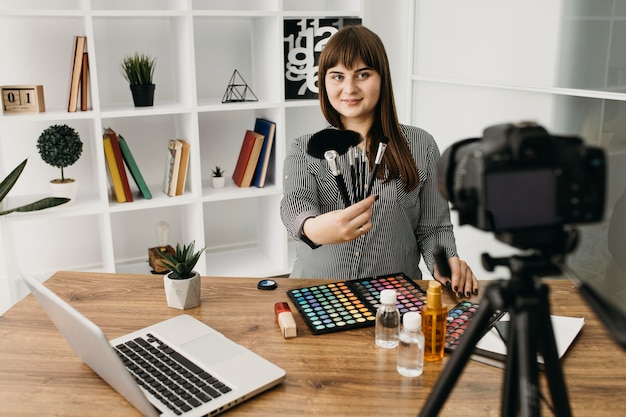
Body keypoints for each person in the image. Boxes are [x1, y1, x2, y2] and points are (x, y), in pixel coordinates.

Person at [280, 25, 479, 298]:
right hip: (319, 295)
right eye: (337, 76)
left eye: (363, 74)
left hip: (395, 297)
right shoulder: (304, 147)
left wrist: (445, 265)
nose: (349, 88)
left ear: (382, 77)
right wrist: (315, 228)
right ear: (324, 82)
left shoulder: (422, 145)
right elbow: (295, 206)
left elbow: (434, 228)